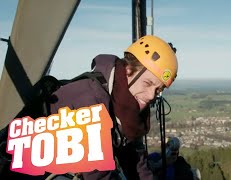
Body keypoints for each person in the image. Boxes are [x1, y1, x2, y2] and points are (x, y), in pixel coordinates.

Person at [1, 35, 178, 180]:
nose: (150, 96)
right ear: (128, 70)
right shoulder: (90, 99)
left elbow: (134, 161)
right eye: (147, 83)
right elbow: (98, 176)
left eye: (158, 89)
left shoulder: (128, 111)